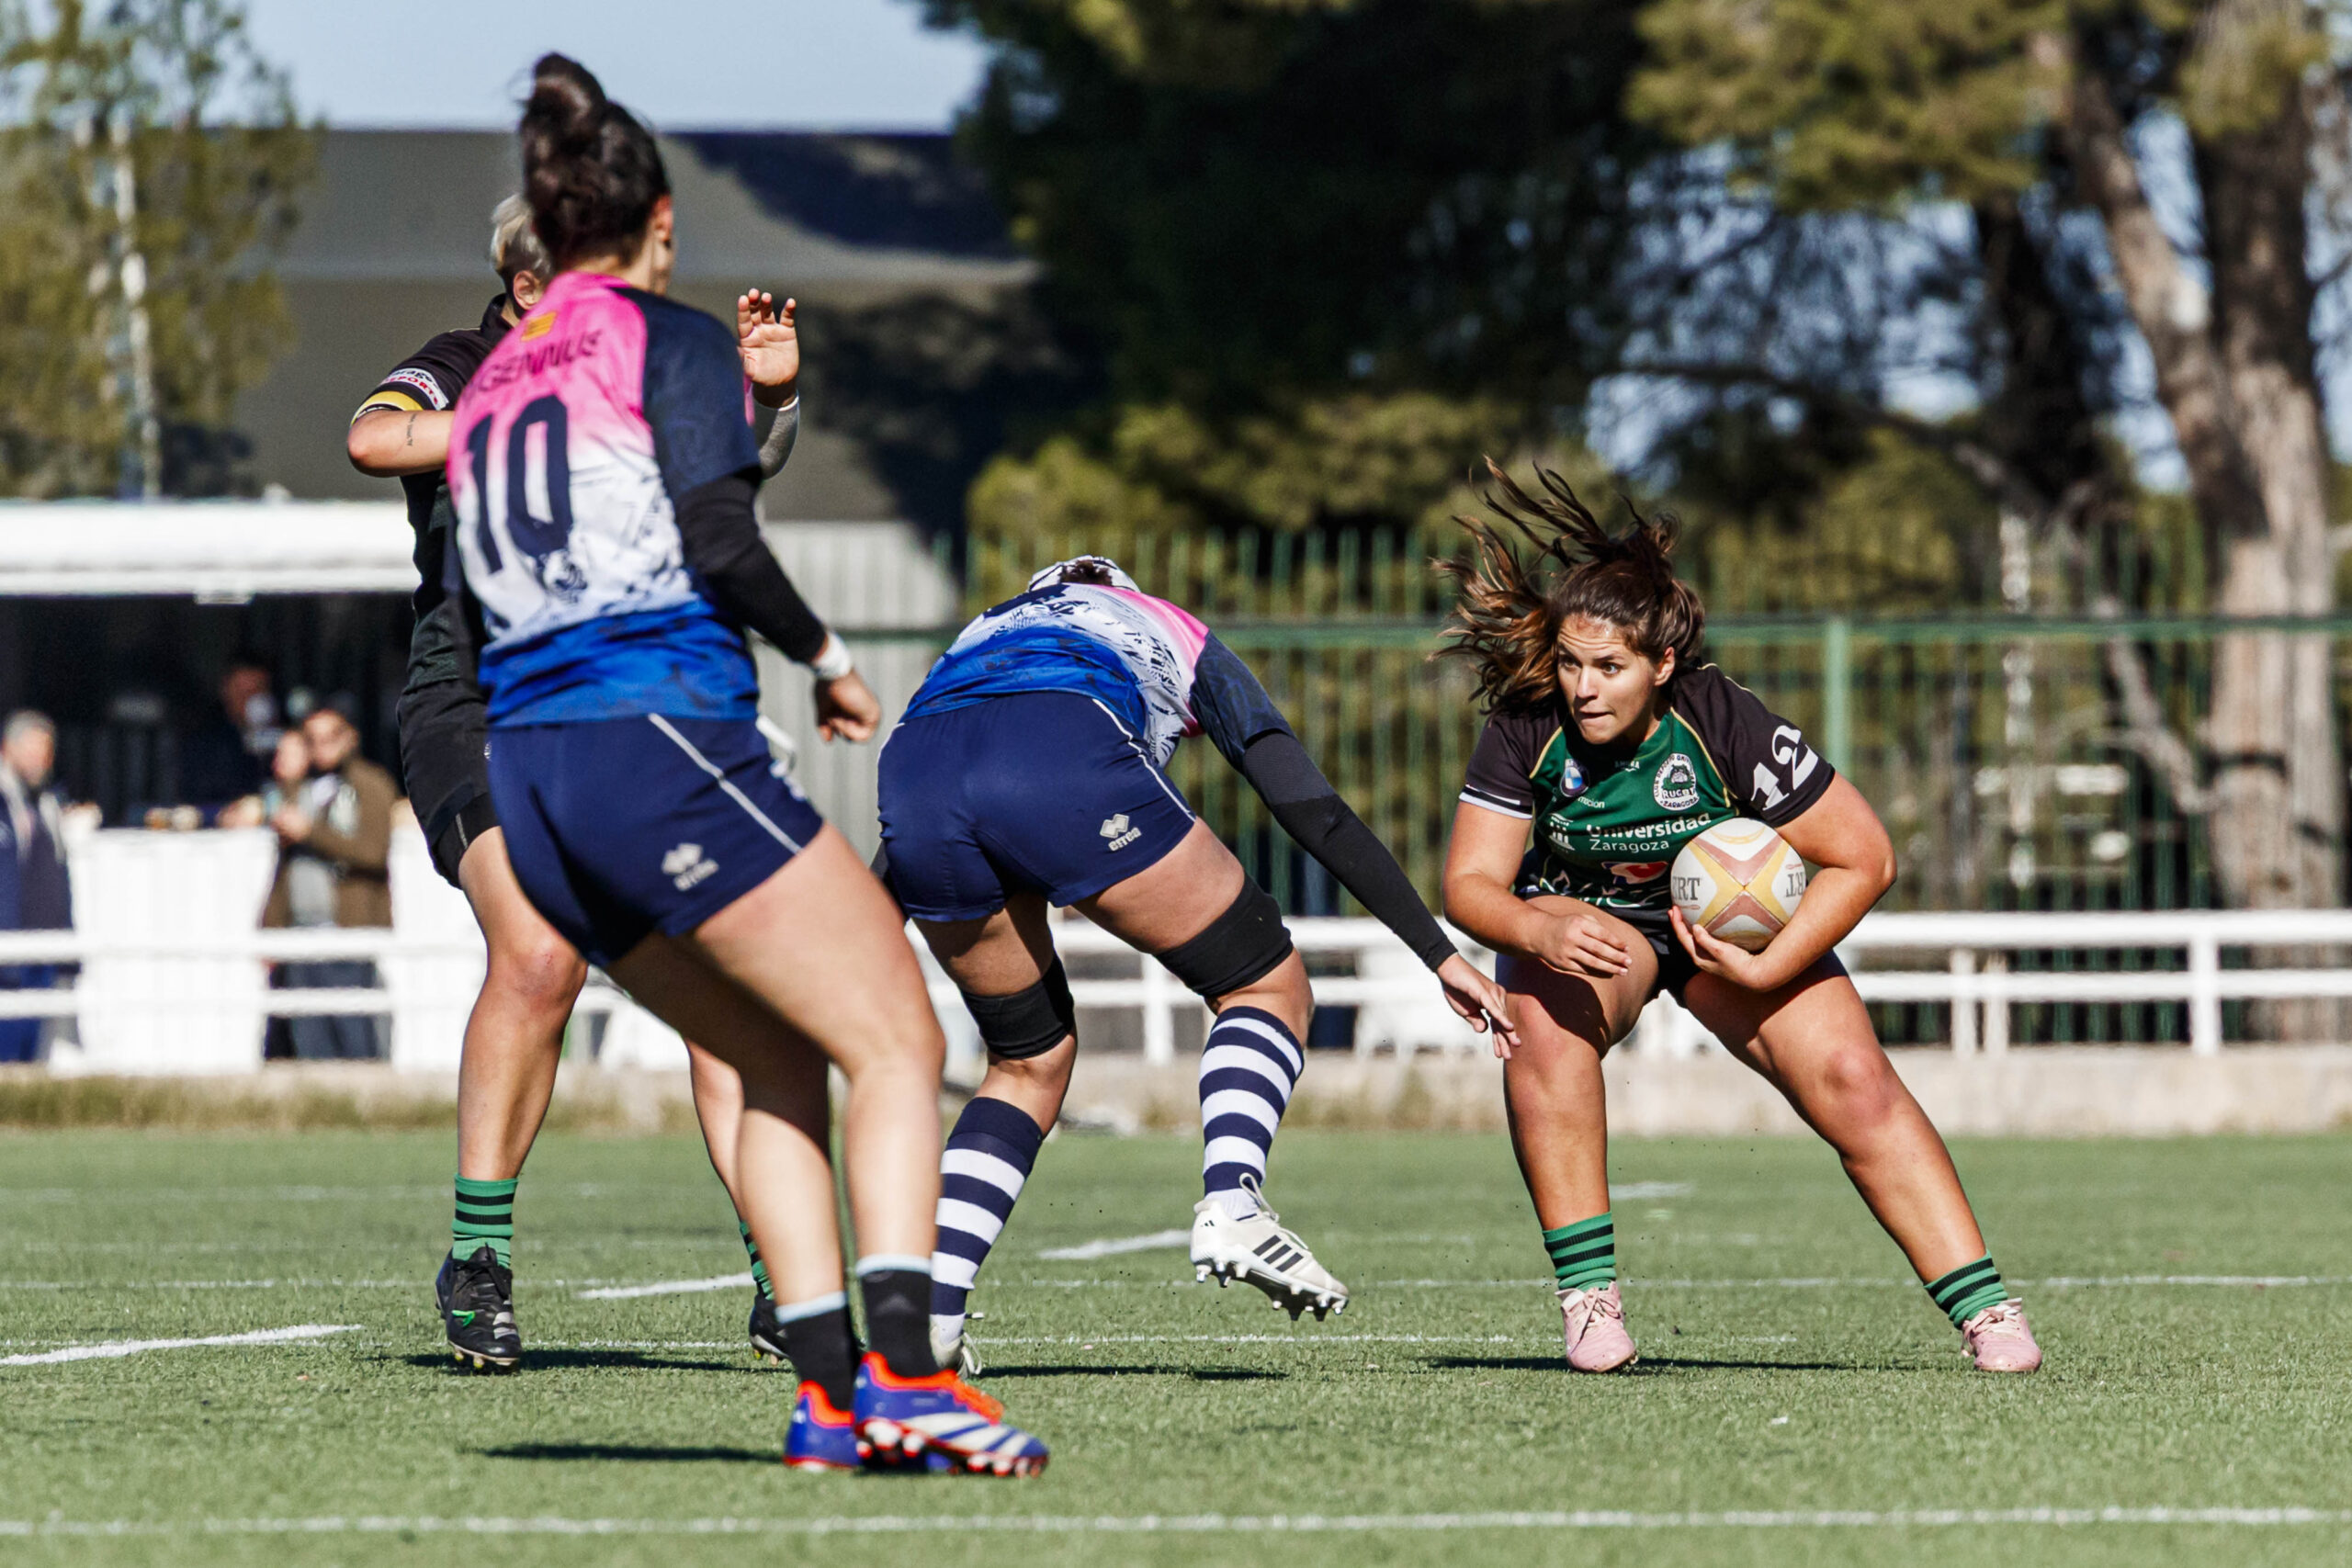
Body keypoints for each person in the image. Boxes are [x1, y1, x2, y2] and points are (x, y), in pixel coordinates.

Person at [441, 54, 1045, 1473]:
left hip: (529, 779)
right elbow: (717, 536)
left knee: (770, 1053)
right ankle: (908, 1376)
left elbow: (479, 600)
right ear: (657, 225)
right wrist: (829, 657)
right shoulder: (671, 341)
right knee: (901, 1033)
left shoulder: (492, 383)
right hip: (653, 743)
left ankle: (829, 1395)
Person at [1436, 464, 2041, 1375]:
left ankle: (1987, 1312)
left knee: (1851, 1076)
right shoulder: (1526, 723)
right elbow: (1470, 884)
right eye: (1570, 664)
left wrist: (1767, 965)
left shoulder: (1725, 720)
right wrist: (1537, 930)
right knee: (1542, 1033)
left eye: (1609, 667)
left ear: (1662, 665)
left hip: (1733, 934)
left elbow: (1863, 855)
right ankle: (1590, 1302)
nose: (1584, 689)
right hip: (1592, 924)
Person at [346, 192, 805, 1371]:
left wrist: (773, 396)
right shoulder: (461, 364)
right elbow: (371, 437)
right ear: (527, 283)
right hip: (475, 715)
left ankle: (786, 1283)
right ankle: (479, 1260)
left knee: (723, 993)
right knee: (543, 952)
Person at [878, 555, 1518, 1370]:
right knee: (1266, 983)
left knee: (1026, 1060)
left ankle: (930, 1315)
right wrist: (1434, 952)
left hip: (911, 776)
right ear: (1122, 591)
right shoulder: (1167, 626)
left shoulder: (977, 637)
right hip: (1058, 748)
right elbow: (1304, 803)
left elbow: (921, 804)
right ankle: (1233, 1201)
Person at [261, 701, 396, 1062]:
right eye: (311, 739)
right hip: (300, 934)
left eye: (330, 737)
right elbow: (283, 871)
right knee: (308, 1039)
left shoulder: (370, 785)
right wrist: (269, 928)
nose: (320, 747)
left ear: (350, 737)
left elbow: (372, 851)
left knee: (354, 1036)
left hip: (348, 929)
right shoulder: (298, 789)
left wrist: (311, 832)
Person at [0, 713, 74, 1063]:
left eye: (46, 753)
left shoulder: (45, 805)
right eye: (33, 751)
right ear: (7, 749)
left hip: (42, 955)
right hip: (7, 956)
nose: (40, 761)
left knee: (34, 1063)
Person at [178, 660, 277, 816]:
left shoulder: (282, 739)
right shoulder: (205, 741)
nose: (248, 699)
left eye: (256, 691)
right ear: (225, 691)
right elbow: (196, 801)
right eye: (241, 691)